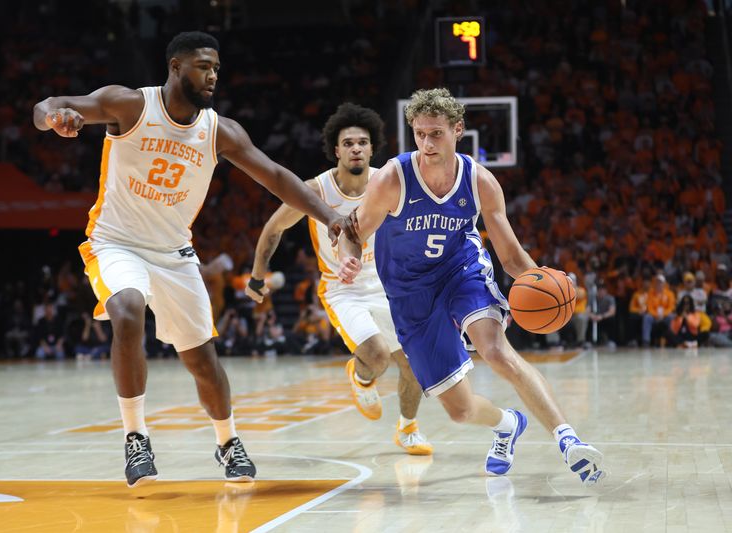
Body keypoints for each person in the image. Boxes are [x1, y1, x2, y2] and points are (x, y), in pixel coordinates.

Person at [33, 31, 354, 487]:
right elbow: (45, 105)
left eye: (217, 69)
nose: (213, 76)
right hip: (115, 242)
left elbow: (277, 177)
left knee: (203, 361)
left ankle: (228, 442)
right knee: (125, 309)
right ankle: (136, 436)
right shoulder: (129, 106)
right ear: (176, 66)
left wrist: (330, 217)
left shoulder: (219, 131)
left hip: (175, 253)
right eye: (204, 66)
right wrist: (57, 119)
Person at [336, 88, 605, 485]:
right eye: (420, 133)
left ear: (457, 130)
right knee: (460, 411)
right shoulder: (393, 178)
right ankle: (507, 425)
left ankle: (568, 440)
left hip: (461, 273)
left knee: (495, 351)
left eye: (436, 133)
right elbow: (351, 231)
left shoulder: (480, 181)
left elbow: (511, 256)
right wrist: (348, 256)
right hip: (410, 295)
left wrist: (543, 278)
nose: (427, 143)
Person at [247, 103, 433, 455]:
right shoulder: (315, 190)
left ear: (372, 148)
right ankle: (362, 376)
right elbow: (273, 229)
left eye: (362, 142)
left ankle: (408, 428)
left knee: (414, 364)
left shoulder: (388, 182)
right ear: (337, 150)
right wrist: (258, 277)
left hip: (388, 286)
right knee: (377, 355)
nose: (356, 148)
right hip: (342, 290)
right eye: (348, 143)